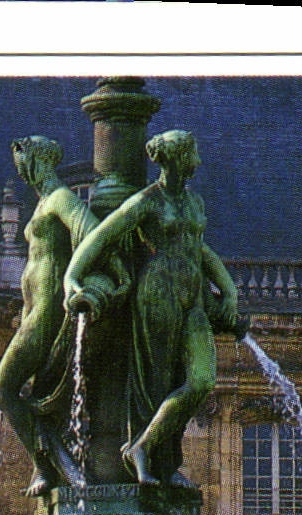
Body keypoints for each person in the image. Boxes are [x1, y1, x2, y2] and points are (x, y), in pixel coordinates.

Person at [63, 129, 243, 485]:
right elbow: (102, 236)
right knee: (156, 381)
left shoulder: (194, 202)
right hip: (158, 292)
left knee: (200, 381)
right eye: (193, 154)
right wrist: (72, 278)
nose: (199, 161)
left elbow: (201, 250)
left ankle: (144, 446)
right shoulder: (148, 200)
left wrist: (229, 291)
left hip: (192, 296)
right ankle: (156, 462)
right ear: (177, 158)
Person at [0, 136, 99, 493]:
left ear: (35, 160)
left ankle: (47, 465)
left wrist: (74, 278)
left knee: (3, 389)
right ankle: (54, 463)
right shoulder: (42, 205)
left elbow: (91, 230)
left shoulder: (60, 198)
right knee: (12, 393)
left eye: (21, 158)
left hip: (49, 310)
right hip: (34, 311)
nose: (18, 167)